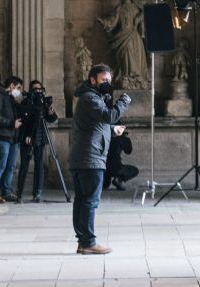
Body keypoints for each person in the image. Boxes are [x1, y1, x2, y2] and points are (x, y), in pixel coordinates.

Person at [69, 64, 131, 255]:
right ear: (92, 79)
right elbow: (109, 116)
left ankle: (83, 242)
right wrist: (124, 101)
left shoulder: (90, 97)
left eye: (109, 81)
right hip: (90, 158)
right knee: (89, 201)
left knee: (82, 200)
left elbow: (95, 125)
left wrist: (112, 130)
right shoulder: (90, 98)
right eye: (104, 80)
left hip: (84, 156)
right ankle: (88, 242)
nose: (107, 84)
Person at [15, 80, 58, 203]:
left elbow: (51, 119)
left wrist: (51, 112)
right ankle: (19, 192)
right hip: (27, 136)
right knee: (24, 164)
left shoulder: (43, 102)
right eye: (35, 89)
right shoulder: (26, 102)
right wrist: (28, 134)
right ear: (31, 90)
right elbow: (25, 119)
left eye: (39, 89)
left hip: (40, 135)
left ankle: (37, 192)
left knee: (39, 165)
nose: (38, 91)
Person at [0, 75, 24, 203]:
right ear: (12, 86)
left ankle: (6, 191)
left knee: (11, 166)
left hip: (13, 137)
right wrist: (11, 123)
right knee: (1, 165)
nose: (19, 91)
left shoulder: (10, 98)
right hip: (2, 136)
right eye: (18, 88)